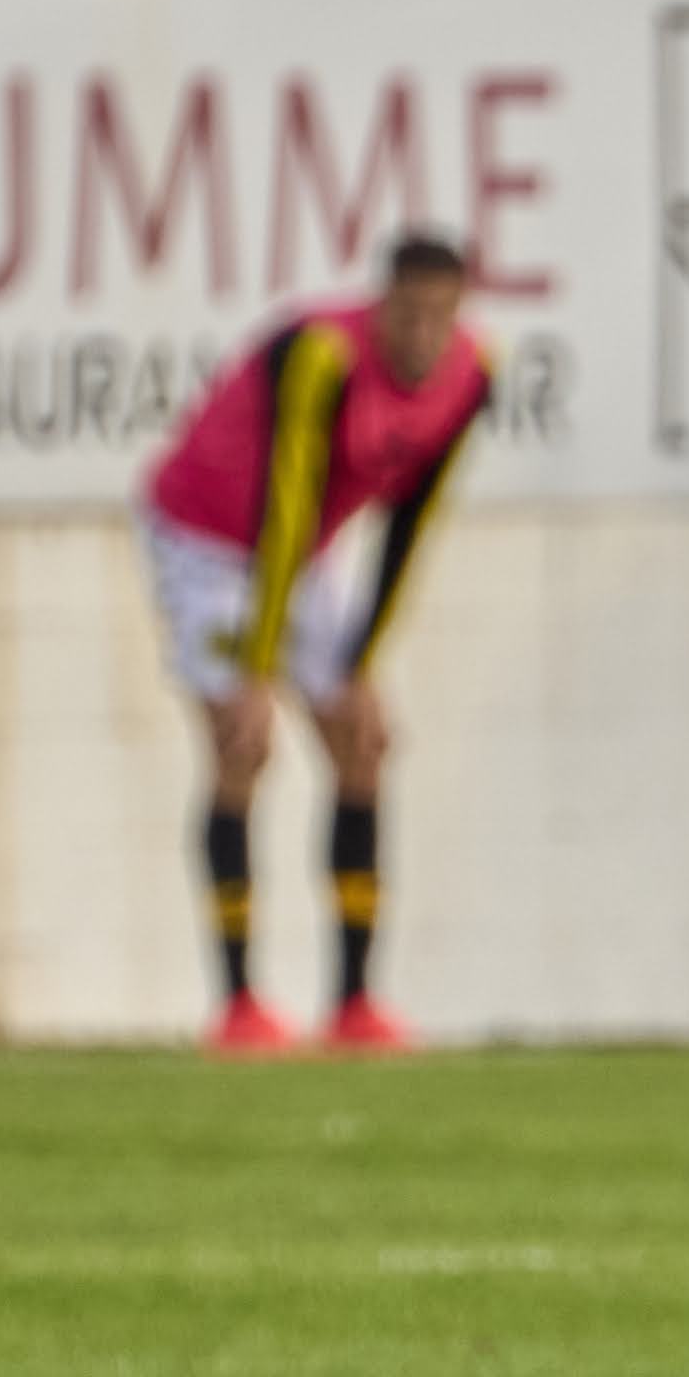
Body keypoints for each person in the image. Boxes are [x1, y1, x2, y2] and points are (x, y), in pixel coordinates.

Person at [135, 233, 491, 1054]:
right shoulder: (322, 351)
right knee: (242, 745)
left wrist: (362, 663)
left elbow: (412, 524)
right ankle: (238, 1005)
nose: (422, 333)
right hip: (208, 539)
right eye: (408, 313)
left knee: (363, 743)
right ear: (383, 303)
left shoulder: (474, 373)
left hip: (306, 555)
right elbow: (286, 494)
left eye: (441, 314)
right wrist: (257, 672)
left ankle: (355, 1004)